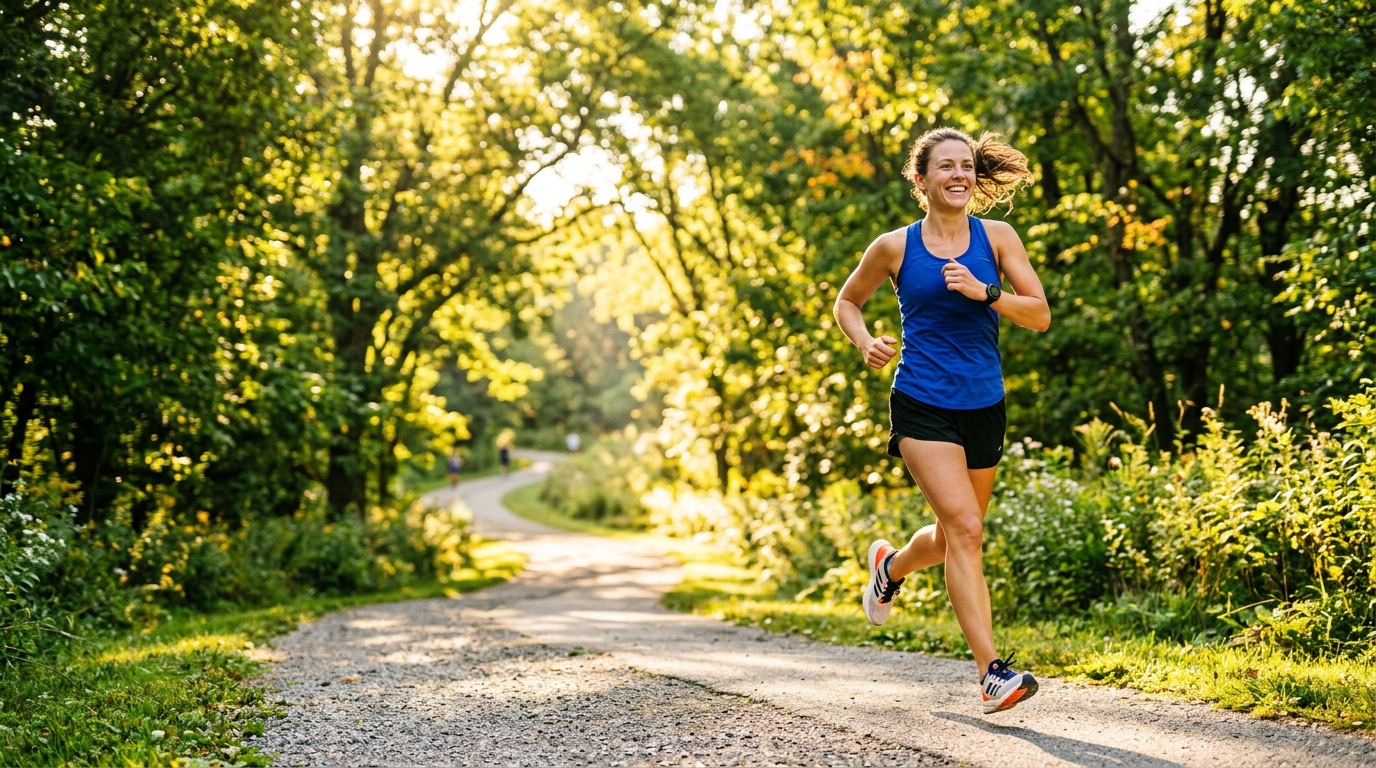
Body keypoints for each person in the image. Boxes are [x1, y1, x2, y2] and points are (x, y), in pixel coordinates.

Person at [833, 127, 1051, 714]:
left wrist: (987, 294)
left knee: (960, 532)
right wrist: (863, 343)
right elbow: (847, 301)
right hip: (922, 402)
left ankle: (892, 565)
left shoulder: (998, 237)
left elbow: (1040, 314)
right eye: (945, 166)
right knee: (966, 529)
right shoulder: (895, 247)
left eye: (967, 166)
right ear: (922, 179)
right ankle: (992, 674)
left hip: (984, 403)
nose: (958, 174)